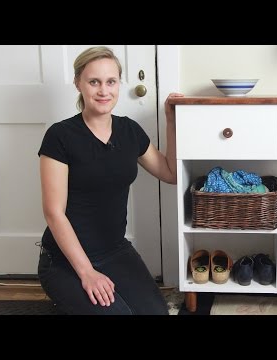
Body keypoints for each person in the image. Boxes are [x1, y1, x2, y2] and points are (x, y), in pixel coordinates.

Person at [37, 46, 183, 315]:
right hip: (64, 260)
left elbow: (170, 173)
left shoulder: (129, 130)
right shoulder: (60, 136)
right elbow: (53, 212)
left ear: (118, 83)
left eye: (110, 81)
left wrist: (171, 121)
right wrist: (87, 273)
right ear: (78, 83)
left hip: (115, 250)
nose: (104, 91)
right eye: (94, 82)